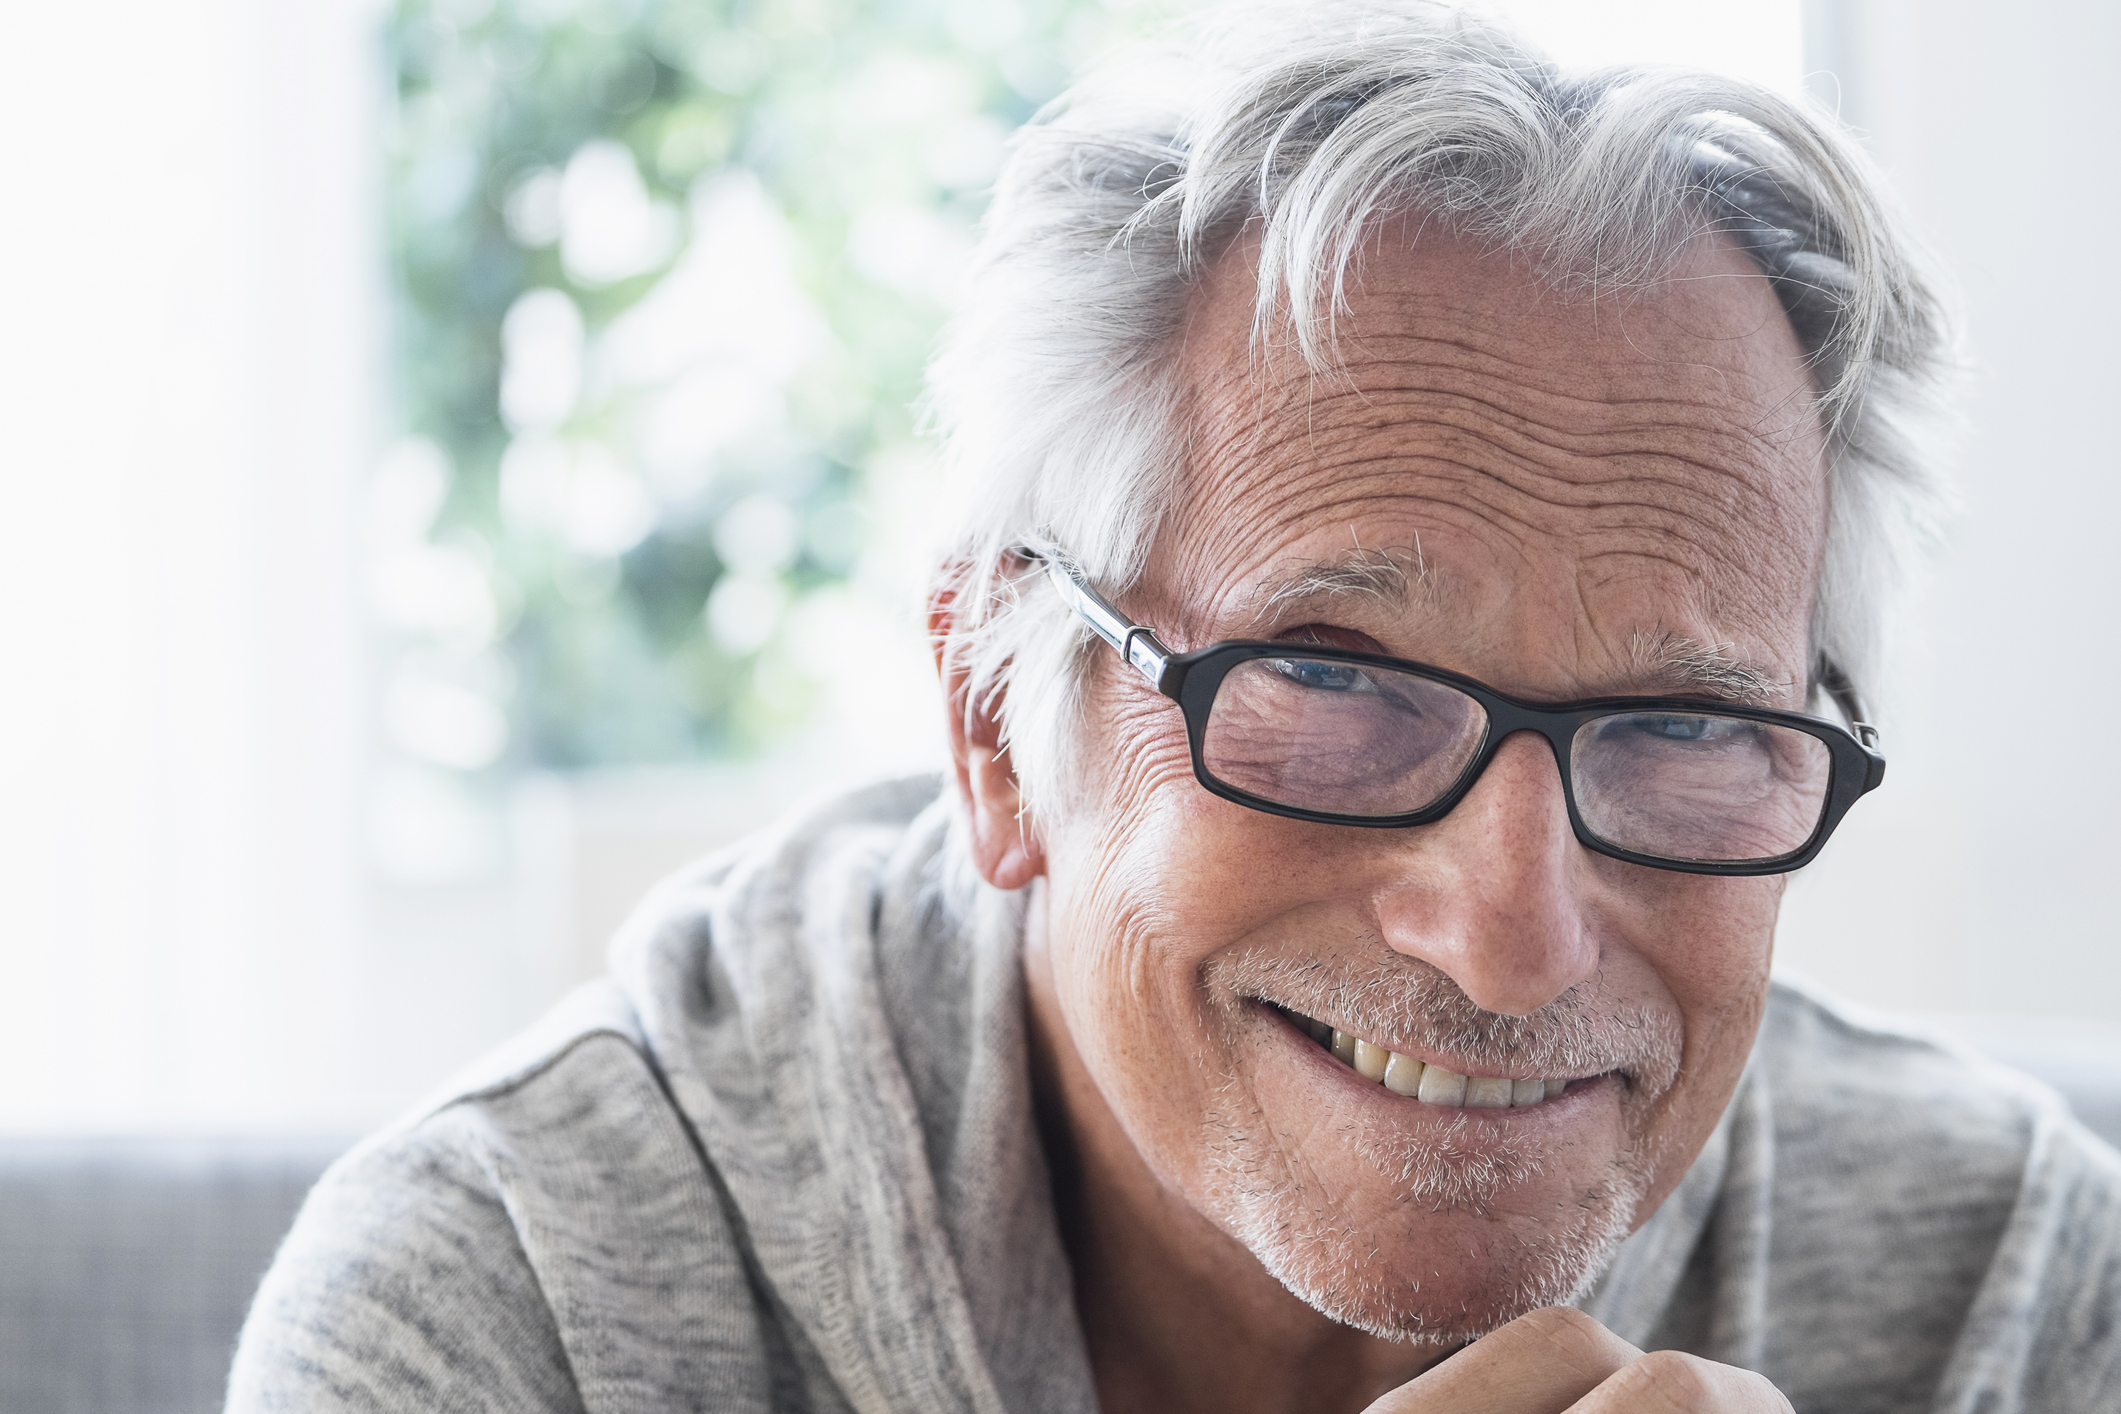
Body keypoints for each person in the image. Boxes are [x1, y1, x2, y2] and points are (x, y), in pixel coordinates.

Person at [227, 4, 2121, 1411]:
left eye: (1685, 726)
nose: (1516, 943)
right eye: (1331, 682)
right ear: (996, 718)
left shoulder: (2012, 1299)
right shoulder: (514, 1310)